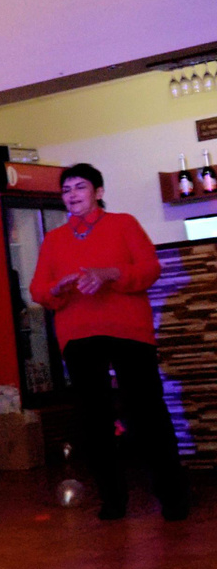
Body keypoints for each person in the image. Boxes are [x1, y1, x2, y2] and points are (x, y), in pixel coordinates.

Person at [29, 164, 188, 522]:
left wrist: (110, 273)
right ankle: (112, 500)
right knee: (93, 419)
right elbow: (38, 289)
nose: (72, 195)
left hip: (128, 331)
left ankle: (173, 496)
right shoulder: (54, 239)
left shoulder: (123, 224)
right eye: (66, 189)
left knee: (147, 412)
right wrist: (55, 288)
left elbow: (150, 269)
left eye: (80, 187)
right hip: (79, 335)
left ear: (98, 192)